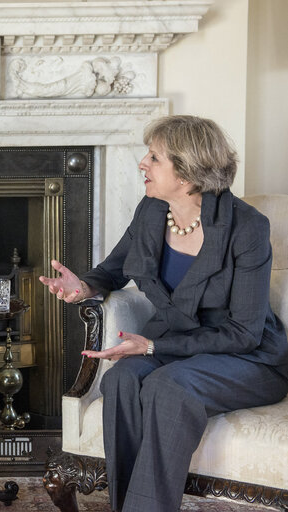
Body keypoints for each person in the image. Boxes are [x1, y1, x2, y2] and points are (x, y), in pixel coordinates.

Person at [39, 115, 288, 511]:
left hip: (248, 357)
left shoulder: (247, 227)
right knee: (120, 381)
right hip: (176, 346)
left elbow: (245, 332)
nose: (143, 163)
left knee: (167, 386)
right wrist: (83, 286)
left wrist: (154, 345)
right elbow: (114, 269)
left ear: (187, 174)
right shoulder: (152, 210)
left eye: (154, 157)